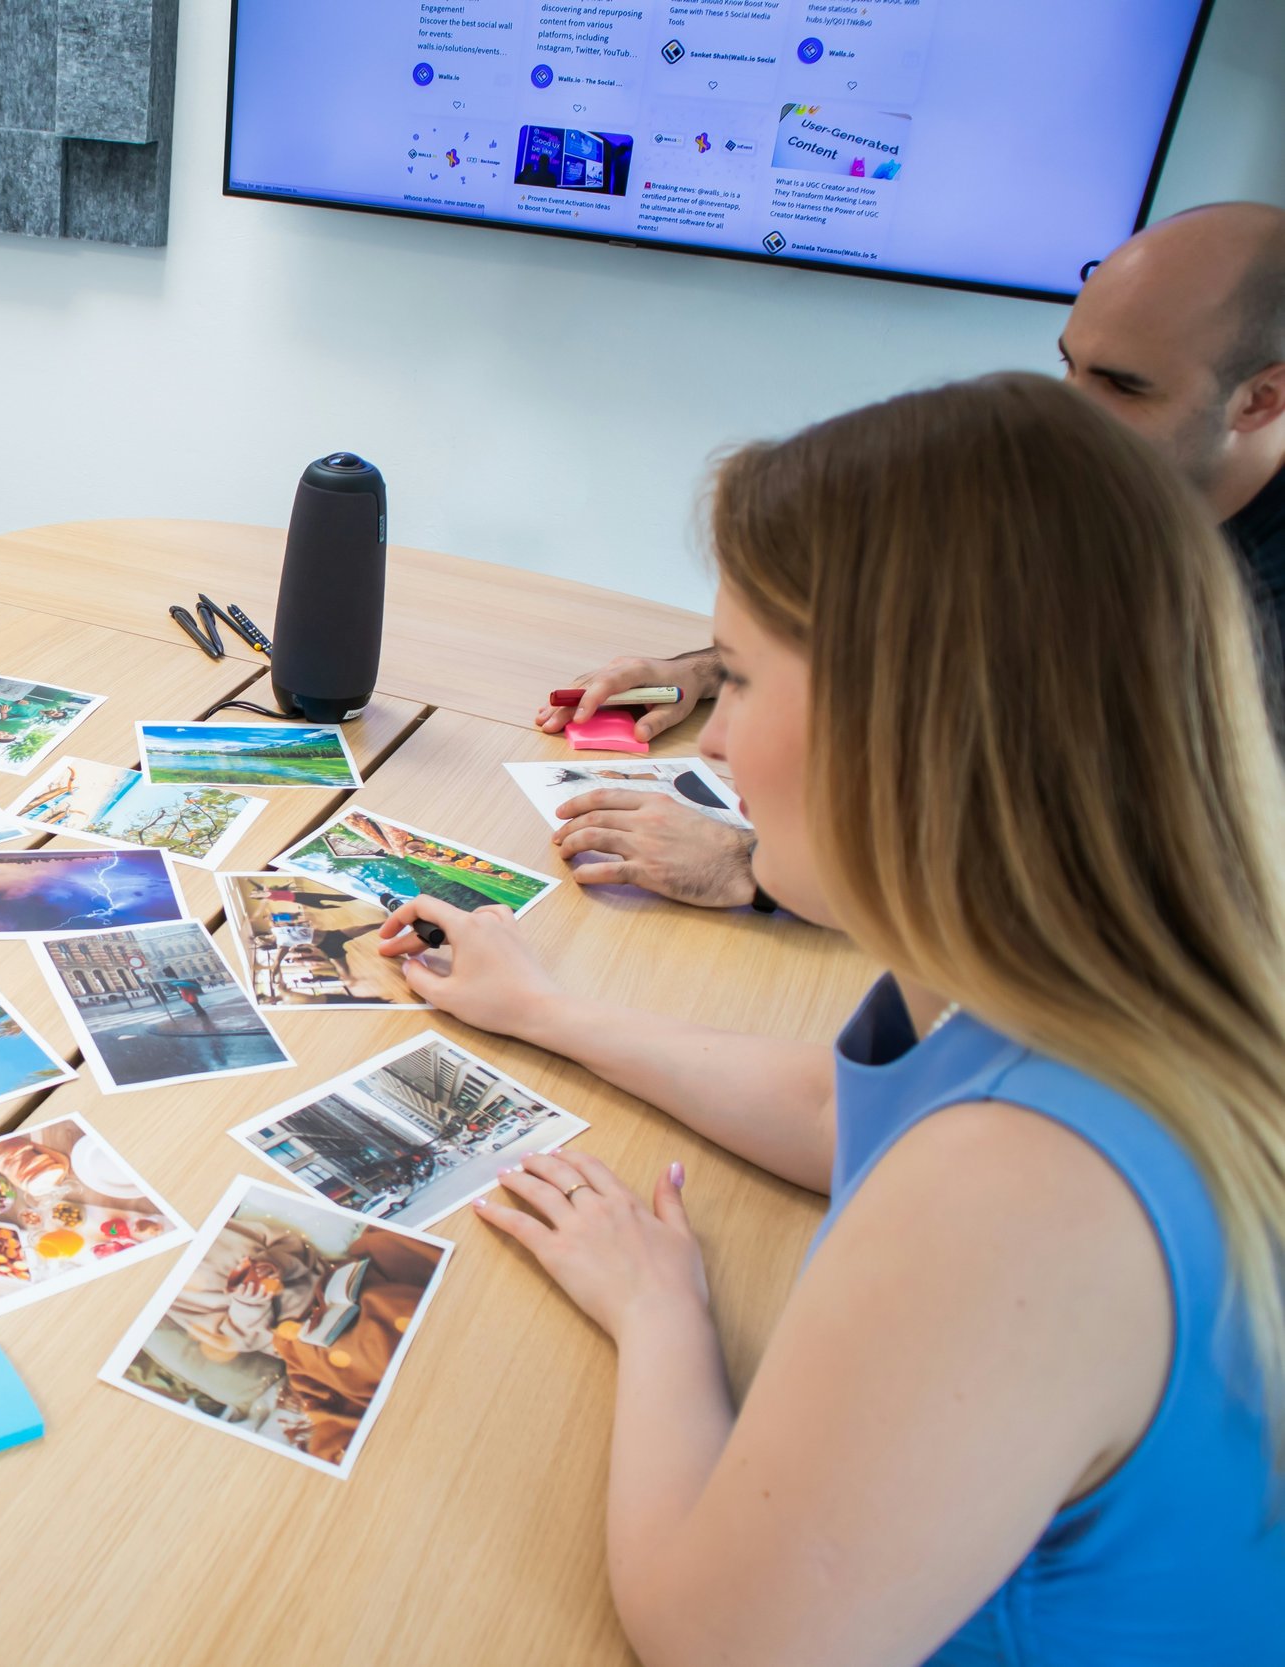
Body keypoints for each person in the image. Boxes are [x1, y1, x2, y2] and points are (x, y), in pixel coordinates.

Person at [382, 374, 1284, 1662]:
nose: (717, 738)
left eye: (738, 679)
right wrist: (548, 1009)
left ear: (917, 721)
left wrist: (663, 1319)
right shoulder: (1099, 972)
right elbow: (839, 1104)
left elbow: (717, 1639)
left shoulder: (1024, 1192)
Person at [540, 200, 1285, 910]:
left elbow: (1106, 882)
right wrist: (706, 672)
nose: (1068, 410)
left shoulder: (1254, 631)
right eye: (1070, 364)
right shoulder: (1090, 478)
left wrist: (754, 866)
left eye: (1122, 386)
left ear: (1262, 398)